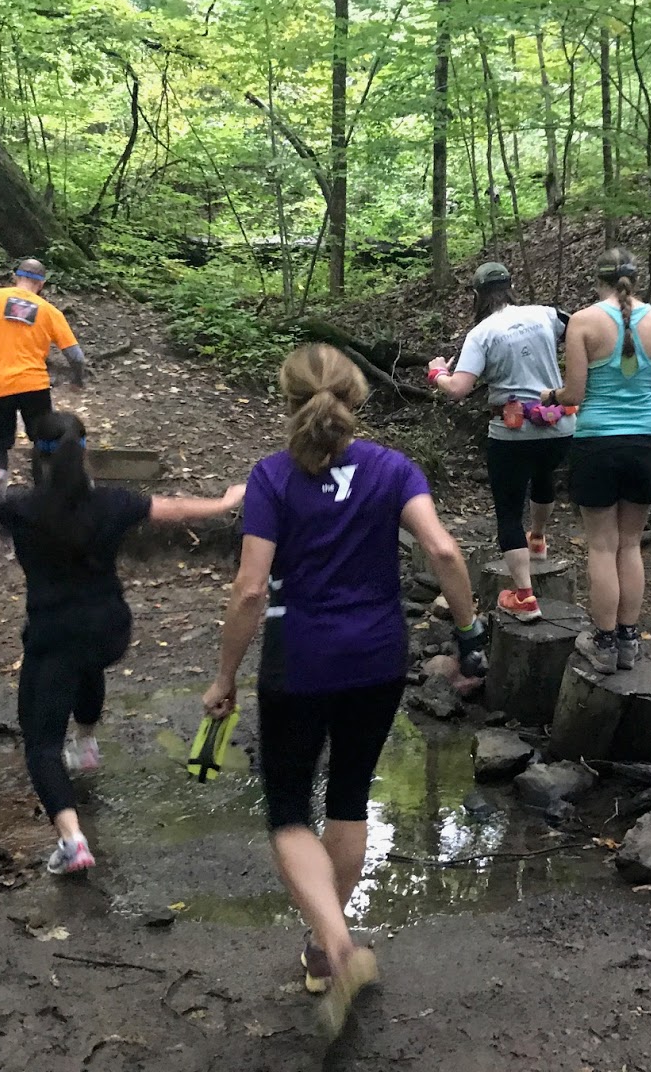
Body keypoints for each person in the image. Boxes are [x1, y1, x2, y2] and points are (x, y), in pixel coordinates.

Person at [201, 344, 489, 1037]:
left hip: (299, 662)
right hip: (378, 658)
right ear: (357, 400)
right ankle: (330, 946)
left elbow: (248, 590)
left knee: (289, 810)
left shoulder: (270, 479)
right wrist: (470, 631)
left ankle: (335, 943)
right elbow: (444, 552)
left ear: (287, 400)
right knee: (350, 796)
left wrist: (225, 675)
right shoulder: (393, 469)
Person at [0, 410, 243, 874]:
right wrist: (223, 502)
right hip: (109, 631)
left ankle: (72, 842)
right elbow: (172, 509)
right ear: (85, 457)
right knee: (86, 664)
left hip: (54, 635)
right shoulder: (112, 504)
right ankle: (86, 743)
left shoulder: (17, 507)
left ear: (33, 459)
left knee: (40, 744)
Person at [548, 248, 651, 673]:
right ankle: (629, 641)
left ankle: (604, 644)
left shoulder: (583, 322)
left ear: (598, 279)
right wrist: (650, 378)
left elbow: (573, 394)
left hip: (597, 445)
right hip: (647, 443)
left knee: (601, 546)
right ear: (635, 279)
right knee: (631, 544)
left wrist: (549, 397)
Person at [427, 261, 575, 621]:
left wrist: (437, 373)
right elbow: (582, 334)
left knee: (509, 511)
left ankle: (524, 597)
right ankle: (537, 539)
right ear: (510, 286)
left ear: (477, 295)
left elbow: (459, 390)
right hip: (560, 427)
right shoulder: (546, 315)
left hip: (511, 433)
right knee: (543, 478)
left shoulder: (482, 334)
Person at [0, 258, 85, 476]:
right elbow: (76, 356)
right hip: (34, 386)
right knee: (43, 440)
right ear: (42, 284)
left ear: (15, 277)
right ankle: (44, 488)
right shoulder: (50, 311)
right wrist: (77, 380)